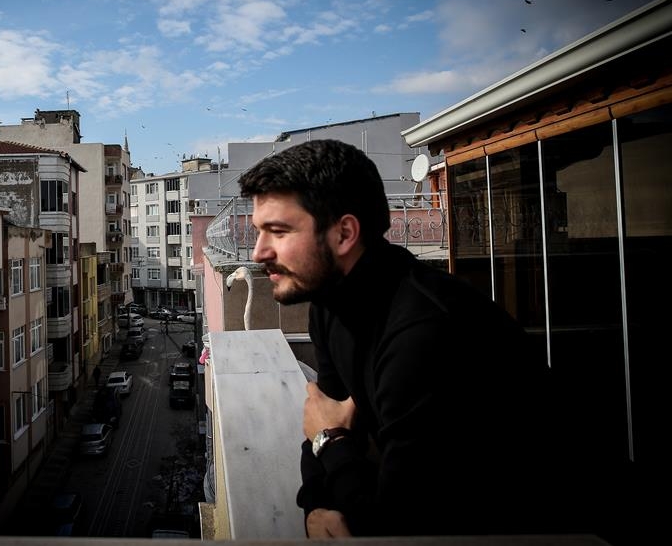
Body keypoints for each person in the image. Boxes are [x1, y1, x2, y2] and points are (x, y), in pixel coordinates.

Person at [237, 139, 591, 539]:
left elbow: (401, 526)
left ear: (344, 233)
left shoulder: (423, 331)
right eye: (259, 232)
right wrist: (316, 507)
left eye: (278, 231)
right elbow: (324, 414)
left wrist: (329, 440)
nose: (259, 252)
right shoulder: (328, 305)